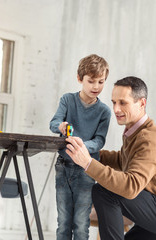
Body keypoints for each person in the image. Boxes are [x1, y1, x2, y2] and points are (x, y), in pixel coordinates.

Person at [65, 76, 156, 240]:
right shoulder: (135, 131)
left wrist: (87, 163)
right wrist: (86, 151)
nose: (116, 109)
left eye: (123, 103)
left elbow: (131, 186)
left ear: (141, 103)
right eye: (114, 102)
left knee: (104, 191)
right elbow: (122, 160)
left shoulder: (148, 140)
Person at [49, 54, 111, 240]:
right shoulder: (68, 100)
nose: (96, 87)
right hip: (63, 167)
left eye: (101, 82)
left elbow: (99, 141)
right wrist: (61, 126)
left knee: (81, 224)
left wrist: (82, 145)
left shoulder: (104, 111)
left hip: (86, 170)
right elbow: (54, 123)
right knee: (63, 222)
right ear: (80, 79)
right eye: (91, 81)